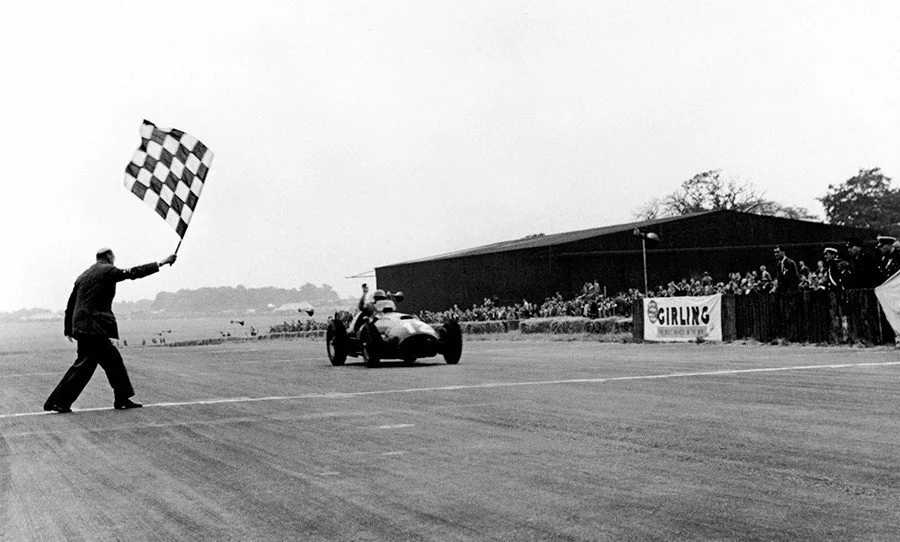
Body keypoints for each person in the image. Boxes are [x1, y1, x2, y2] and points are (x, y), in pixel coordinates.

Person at [43, 248, 177, 413]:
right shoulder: (108, 270)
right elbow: (133, 272)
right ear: (109, 257)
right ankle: (58, 402)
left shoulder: (83, 275)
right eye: (113, 258)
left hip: (82, 327)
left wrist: (68, 329)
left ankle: (121, 398)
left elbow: (71, 305)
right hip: (94, 327)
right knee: (91, 365)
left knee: (108, 362)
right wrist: (161, 263)